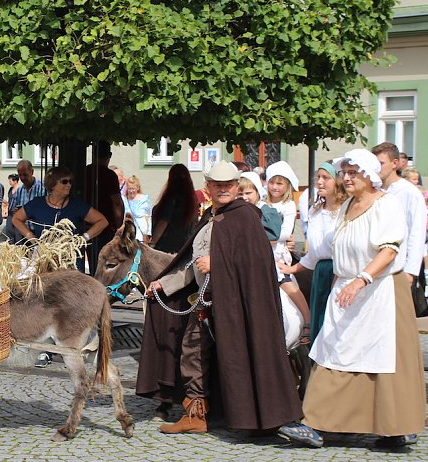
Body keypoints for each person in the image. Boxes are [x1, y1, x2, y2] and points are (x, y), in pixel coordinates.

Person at [279, 149, 426, 449]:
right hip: (346, 288)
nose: (346, 178)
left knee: (381, 360)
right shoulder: (347, 205)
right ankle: (317, 422)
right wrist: (341, 282)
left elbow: (389, 250)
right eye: (343, 172)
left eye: (353, 173)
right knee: (331, 351)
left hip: (378, 289)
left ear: (369, 176)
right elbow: (341, 249)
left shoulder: (387, 205)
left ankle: (392, 426)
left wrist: (361, 280)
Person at [145, 160, 303, 435]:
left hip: (236, 305)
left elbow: (255, 259)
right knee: (194, 352)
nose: (223, 189)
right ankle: (199, 414)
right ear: (207, 188)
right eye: (217, 185)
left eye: (228, 185)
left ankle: (251, 416)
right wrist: (164, 285)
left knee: (222, 354)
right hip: (207, 300)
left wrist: (217, 261)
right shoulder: (209, 217)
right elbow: (192, 264)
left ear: (236, 186)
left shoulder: (245, 216)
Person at [278, 163, 348, 343]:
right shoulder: (315, 211)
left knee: (337, 324)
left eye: (326, 178)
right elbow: (314, 253)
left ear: (338, 182)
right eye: (318, 177)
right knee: (320, 323)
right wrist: (292, 269)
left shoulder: (346, 211)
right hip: (321, 272)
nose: (320, 182)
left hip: (340, 271)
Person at [12, 167, 108, 274]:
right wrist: (31, 237)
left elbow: (102, 221)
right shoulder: (37, 204)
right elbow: (16, 218)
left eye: (70, 182)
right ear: (52, 184)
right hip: (45, 261)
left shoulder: (76, 205)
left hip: (71, 262)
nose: (69, 185)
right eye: (64, 182)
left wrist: (84, 238)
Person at [372, 142, 428, 317]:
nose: (376, 168)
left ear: (394, 163)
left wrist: (411, 271)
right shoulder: (375, 190)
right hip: (377, 263)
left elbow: (417, 232)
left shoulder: (409, 193)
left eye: (381, 163)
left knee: (397, 315)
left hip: (400, 264)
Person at [265, 161, 311, 342]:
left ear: (287, 186)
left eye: (279, 183)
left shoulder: (288, 206)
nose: (275, 187)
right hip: (262, 252)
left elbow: (285, 232)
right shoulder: (262, 202)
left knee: (286, 282)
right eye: (272, 182)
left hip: (278, 254)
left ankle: (307, 319)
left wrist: (263, 236)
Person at [82, 142, 123, 272]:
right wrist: (119, 224)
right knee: (105, 265)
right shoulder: (110, 175)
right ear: (109, 155)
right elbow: (116, 202)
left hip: (85, 224)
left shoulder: (85, 172)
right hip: (106, 227)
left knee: (92, 262)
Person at [149, 163, 198, 254]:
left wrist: (152, 243)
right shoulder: (192, 201)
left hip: (166, 247)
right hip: (184, 248)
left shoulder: (171, 199)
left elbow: (163, 222)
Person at [7, 159, 46, 243]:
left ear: (31, 171)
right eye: (20, 175)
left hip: (39, 233)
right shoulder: (19, 191)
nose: (22, 178)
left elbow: (45, 210)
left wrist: (28, 212)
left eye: (25, 174)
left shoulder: (42, 188)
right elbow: (15, 213)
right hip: (23, 233)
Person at [123, 175, 151, 242]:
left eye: (133, 188)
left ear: (137, 188)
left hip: (141, 235)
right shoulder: (124, 199)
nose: (131, 191)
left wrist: (148, 233)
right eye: (130, 188)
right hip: (127, 232)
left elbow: (149, 216)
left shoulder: (144, 199)